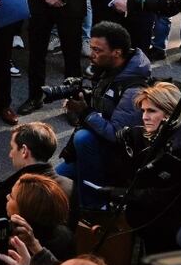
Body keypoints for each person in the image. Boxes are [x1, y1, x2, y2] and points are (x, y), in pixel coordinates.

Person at [56, 21, 152, 208]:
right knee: (49, 181)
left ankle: (95, 207)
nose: (92, 54)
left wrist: (84, 111)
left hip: (119, 157)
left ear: (116, 53)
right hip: (98, 145)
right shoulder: (110, 70)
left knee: (83, 138)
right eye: (91, 48)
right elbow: (104, 105)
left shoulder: (134, 88)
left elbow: (115, 134)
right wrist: (84, 98)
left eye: (98, 50)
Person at [108, 82, 181, 254]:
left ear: (169, 113)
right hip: (156, 218)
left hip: (173, 228)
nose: (144, 117)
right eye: (144, 111)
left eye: (152, 111)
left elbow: (161, 196)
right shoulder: (159, 134)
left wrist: (119, 193)